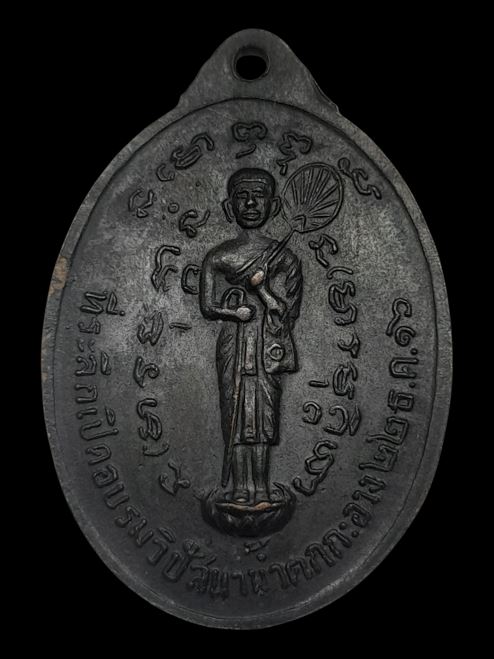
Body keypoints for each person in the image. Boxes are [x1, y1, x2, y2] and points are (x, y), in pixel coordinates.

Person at [200, 168, 302, 505]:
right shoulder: (218, 257)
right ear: (229, 207)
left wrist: (263, 290)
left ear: (274, 205)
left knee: (263, 414)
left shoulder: (285, 258)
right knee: (235, 408)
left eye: (258, 196)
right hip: (233, 341)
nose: (250, 204)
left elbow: (286, 313)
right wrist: (234, 313)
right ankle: (240, 487)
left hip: (267, 345)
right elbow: (207, 307)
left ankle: (261, 487)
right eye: (242, 197)